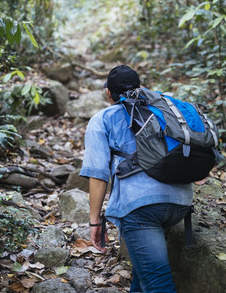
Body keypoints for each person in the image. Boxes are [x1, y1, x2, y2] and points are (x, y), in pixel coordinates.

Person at [80, 65, 193, 293]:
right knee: (144, 277)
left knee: (157, 283)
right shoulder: (163, 110)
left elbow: (98, 175)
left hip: (141, 209)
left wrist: (95, 222)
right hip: (181, 203)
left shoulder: (102, 119)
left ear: (109, 94)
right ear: (139, 88)